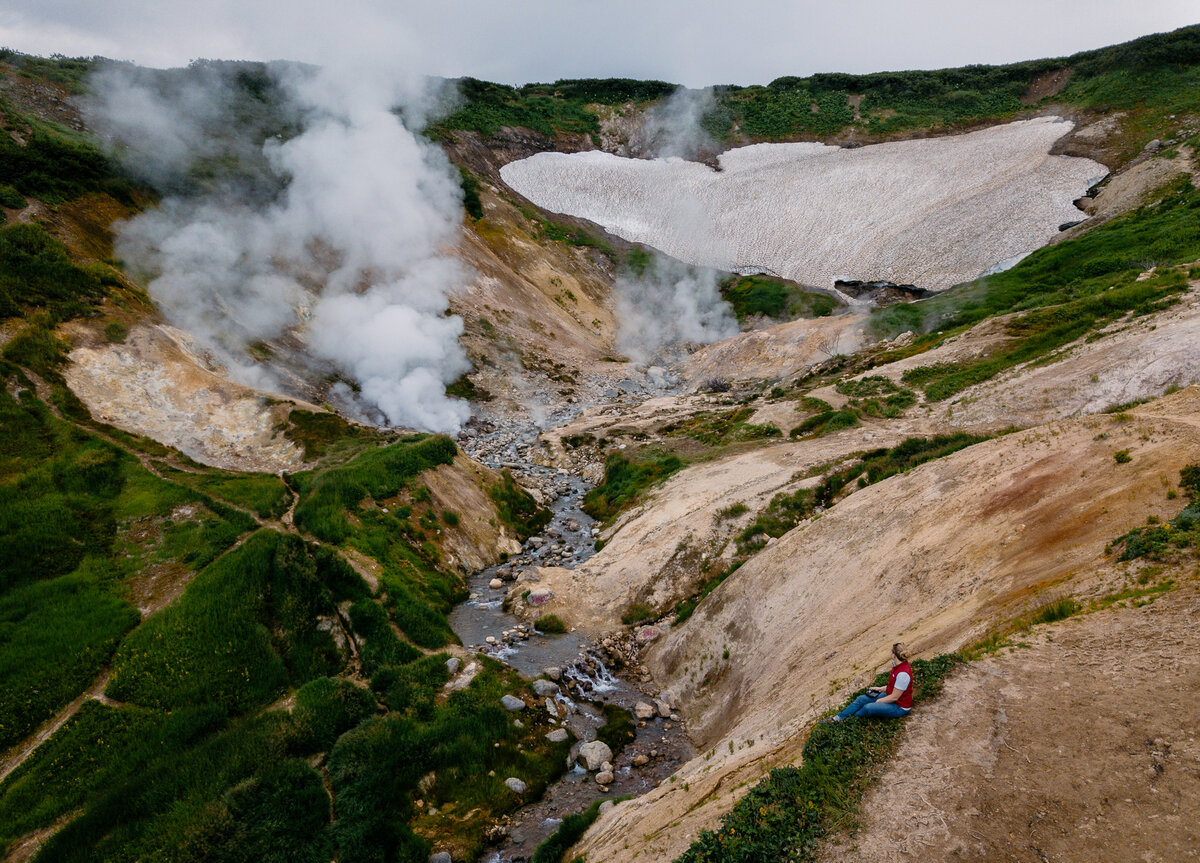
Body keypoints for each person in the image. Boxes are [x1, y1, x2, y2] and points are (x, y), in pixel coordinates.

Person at [827, 643, 914, 721]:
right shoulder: (898, 666)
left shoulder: (903, 674)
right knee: (861, 699)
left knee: (868, 707)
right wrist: (880, 689)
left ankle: (849, 721)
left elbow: (894, 697)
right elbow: (894, 687)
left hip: (900, 706)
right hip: (892, 697)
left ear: (894, 655)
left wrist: (880, 701)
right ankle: (837, 718)